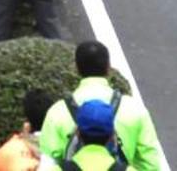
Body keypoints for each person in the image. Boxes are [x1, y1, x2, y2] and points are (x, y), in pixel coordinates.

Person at [36, 40, 167, 171]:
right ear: (108, 67)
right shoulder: (135, 110)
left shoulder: (57, 112)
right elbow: (151, 165)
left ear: (76, 67)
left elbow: (47, 164)